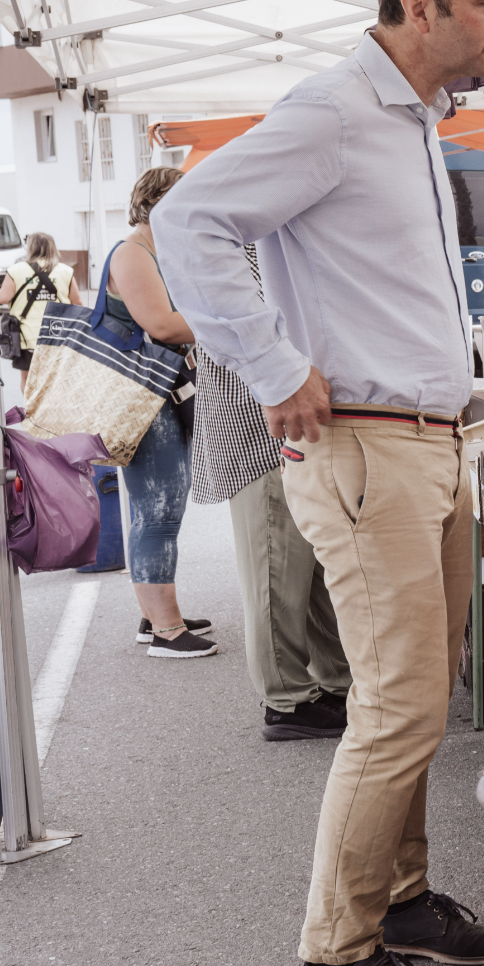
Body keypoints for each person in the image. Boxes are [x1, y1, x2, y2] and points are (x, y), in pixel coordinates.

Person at [153, 0, 484, 966]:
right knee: (400, 704)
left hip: (424, 438)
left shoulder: (410, 118)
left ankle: (401, 900)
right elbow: (187, 220)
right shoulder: (331, 111)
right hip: (365, 445)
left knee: (422, 693)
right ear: (420, 7)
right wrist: (271, 364)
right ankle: (334, 958)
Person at [188, 249, 351, 743]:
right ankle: (287, 701)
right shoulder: (232, 253)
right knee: (275, 571)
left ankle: (337, 682)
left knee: (311, 569)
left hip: (286, 430)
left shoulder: (259, 245)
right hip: (260, 434)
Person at [109, 168, 215, 658]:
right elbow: (162, 325)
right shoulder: (133, 253)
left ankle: (155, 614)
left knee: (157, 508)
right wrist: (229, 321)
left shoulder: (153, 251)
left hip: (156, 393)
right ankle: (166, 632)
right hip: (142, 398)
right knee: (159, 508)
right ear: (159, 205)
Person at [0, 230, 80, 388]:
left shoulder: (16, 270)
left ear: (30, 248)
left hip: (26, 337)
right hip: (58, 335)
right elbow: (77, 303)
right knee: (55, 381)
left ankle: (31, 410)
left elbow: (2, 298)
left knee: (28, 380)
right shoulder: (65, 271)